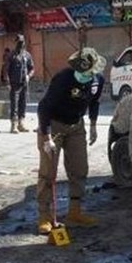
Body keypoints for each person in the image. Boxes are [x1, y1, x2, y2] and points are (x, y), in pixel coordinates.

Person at [35, 47, 105, 234]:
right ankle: (44, 216)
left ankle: (74, 213)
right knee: (48, 171)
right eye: (83, 72)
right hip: (54, 125)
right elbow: (44, 107)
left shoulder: (97, 81)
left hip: (76, 126)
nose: (87, 75)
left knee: (79, 168)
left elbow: (95, 102)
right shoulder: (63, 78)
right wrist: (46, 137)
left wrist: (93, 126)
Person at [4, 35, 35, 133]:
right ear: (15, 43)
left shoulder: (27, 55)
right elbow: (6, 70)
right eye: (18, 42)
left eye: (22, 42)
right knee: (14, 105)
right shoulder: (11, 55)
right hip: (14, 84)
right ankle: (14, 125)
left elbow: (32, 68)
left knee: (23, 104)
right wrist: (8, 83)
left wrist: (29, 76)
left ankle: (21, 124)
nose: (20, 44)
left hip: (24, 84)